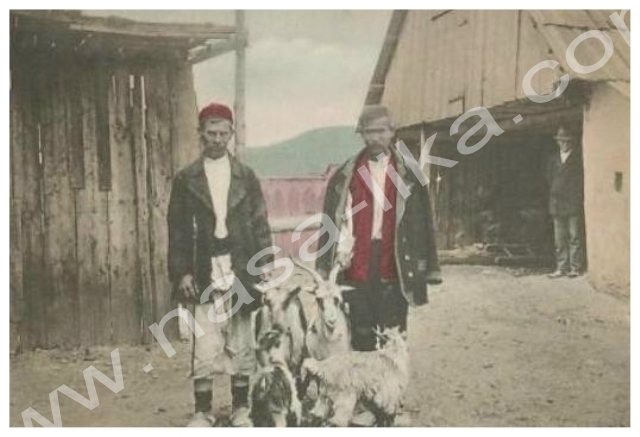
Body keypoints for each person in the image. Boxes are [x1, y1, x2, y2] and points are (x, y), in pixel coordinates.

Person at [167, 102, 272, 426]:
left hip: (240, 263)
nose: (217, 139)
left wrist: (264, 263)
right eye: (211, 133)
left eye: (223, 133)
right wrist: (182, 272)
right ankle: (203, 411)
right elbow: (177, 230)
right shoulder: (186, 179)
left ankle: (241, 408)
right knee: (206, 342)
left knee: (241, 340)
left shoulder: (246, 177)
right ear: (200, 134)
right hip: (204, 266)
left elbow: (260, 222)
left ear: (231, 134)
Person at [547, 125, 584, 278]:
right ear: (558, 142)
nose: (564, 143)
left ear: (571, 142)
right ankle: (561, 267)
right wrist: (556, 191)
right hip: (557, 203)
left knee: (574, 236)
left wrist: (575, 196)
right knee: (559, 238)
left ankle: (575, 267)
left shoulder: (577, 159)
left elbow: (580, 181)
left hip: (572, 202)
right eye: (561, 141)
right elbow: (548, 178)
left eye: (567, 141)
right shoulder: (553, 159)